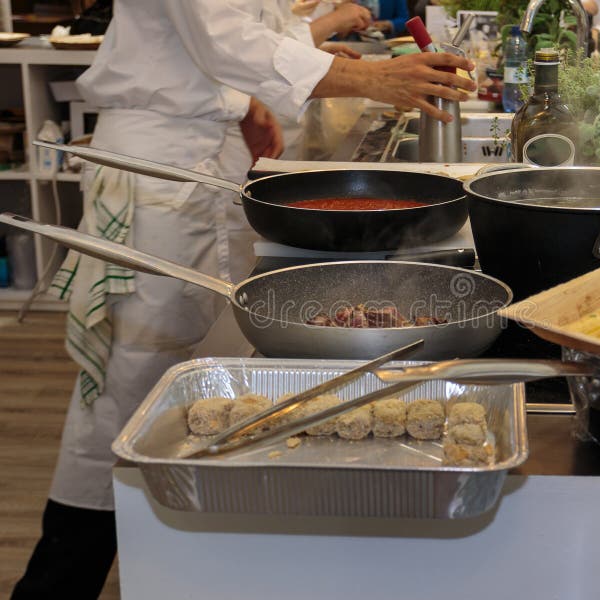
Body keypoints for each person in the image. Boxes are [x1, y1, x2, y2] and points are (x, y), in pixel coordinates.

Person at [10, 1, 475, 599]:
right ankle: (56, 584)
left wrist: (278, 84)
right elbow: (221, 37)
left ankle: (184, 562)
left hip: (208, 160)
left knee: (199, 373)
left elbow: (251, 32)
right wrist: (371, 79)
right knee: (131, 387)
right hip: (162, 165)